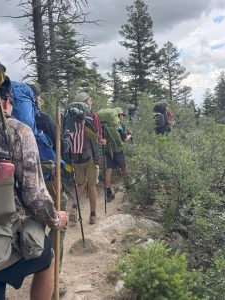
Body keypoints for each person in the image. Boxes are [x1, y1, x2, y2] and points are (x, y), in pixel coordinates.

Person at [0, 76, 68, 300]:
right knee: (46, 257)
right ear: (7, 100)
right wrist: (56, 219)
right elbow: (34, 196)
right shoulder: (17, 131)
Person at [30, 84, 69, 296]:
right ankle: (53, 278)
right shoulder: (43, 118)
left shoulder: (7, 120)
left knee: (33, 225)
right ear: (36, 99)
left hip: (23, 184)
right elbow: (57, 145)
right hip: (48, 180)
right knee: (59, 223)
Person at [68, 92, 100, 225]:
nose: (91, 102)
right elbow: (97, 135)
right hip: (90, 155)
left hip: (76, 157)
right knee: (92, 185)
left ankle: (74, 209)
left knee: (80, 184)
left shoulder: (69, 117)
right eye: (90, 100)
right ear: (85, 102)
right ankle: (92, 215)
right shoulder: (92, 115)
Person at [104, 107, 131, 201]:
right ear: (119, 115)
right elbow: (125, 139)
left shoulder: (105, 125)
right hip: (118, 150)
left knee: (109, 170)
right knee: (123, 167)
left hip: (108, 150)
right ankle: (128, 188)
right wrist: (129, 135)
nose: (123, 117)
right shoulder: (120, 124)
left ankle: (108, 192)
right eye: (122, 115)